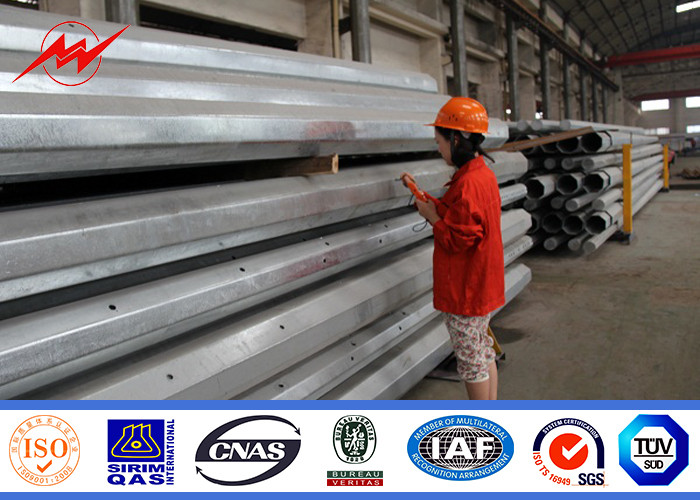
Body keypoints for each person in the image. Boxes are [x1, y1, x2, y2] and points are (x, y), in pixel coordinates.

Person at [401, 97, 505, 400]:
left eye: (439, 142)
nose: (438, 149)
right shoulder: (480, 175)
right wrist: (424, 198)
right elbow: (459, 213)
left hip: (466, 290)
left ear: (456, 139)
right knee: (482, 350)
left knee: (472, 363)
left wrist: (431, 216)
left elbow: (458, 239)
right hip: (482, 284)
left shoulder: (468, 183)